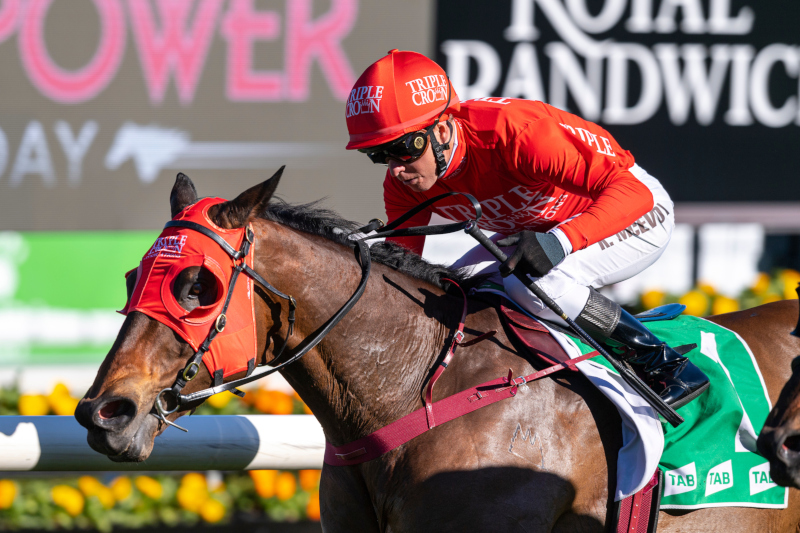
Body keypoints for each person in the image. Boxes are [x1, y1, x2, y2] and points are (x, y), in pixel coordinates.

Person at [344, 49, 708, 409]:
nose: (394, 168)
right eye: (378, 155)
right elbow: (402, 268)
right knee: (454, 288)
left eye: (402, 149)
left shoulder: (517, 133)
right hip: (537, 230)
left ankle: (665, 364)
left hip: (628, 211)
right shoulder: (404, 183)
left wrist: (560, 242)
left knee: (529, 281)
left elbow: (634, 192)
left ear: (440, 129)